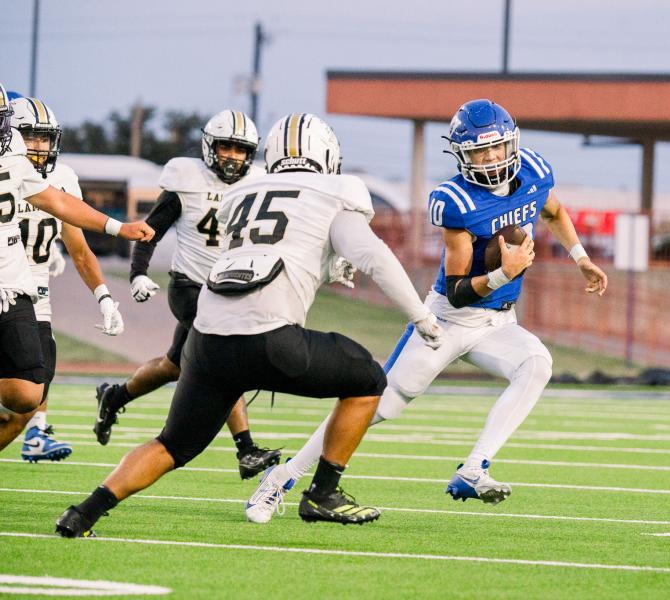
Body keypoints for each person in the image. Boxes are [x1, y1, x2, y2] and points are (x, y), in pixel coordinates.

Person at [54, 112, 443, 537]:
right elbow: (375, 256)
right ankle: (324, 492)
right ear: (328, 157)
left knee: (171, 445)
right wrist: (420, 316)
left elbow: (275, 245)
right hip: (271, 339)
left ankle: (82, 513)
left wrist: (330, 266)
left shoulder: (244, 194)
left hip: (206, 342)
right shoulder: (337, 191)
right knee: (368, 377)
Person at [245, 99, 607, 523]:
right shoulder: (457, 201)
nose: (490, 159)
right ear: (461, 154)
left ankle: (474, 469)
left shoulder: (533, 171)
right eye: (478, 151)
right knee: (377, 406)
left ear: (512, 143)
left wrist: (580, 256)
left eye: (496, 149)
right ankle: (281, 478)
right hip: (447, 321)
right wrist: (501, 275)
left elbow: (554, 211)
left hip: (498, 322)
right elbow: (456, 292)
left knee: (536, 364)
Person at [93, 110, 280, 479]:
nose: (232, 155)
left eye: (240, 149)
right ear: (210, 146)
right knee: (227, 354)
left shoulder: (259, 183)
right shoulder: (187, 178)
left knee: (173, 365)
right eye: (225, 146)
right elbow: (150, 230)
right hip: (190, 285)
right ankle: (246, 450)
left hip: (232, 287)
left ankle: (113, 397)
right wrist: (137, 274)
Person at [0, 82, 153, 421]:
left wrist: (120, 228)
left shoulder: (15, 158)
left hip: (14, 285)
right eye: (31, 136)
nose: (39, 146)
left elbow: (56, 201)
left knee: (26, 394)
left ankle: (36, 432)